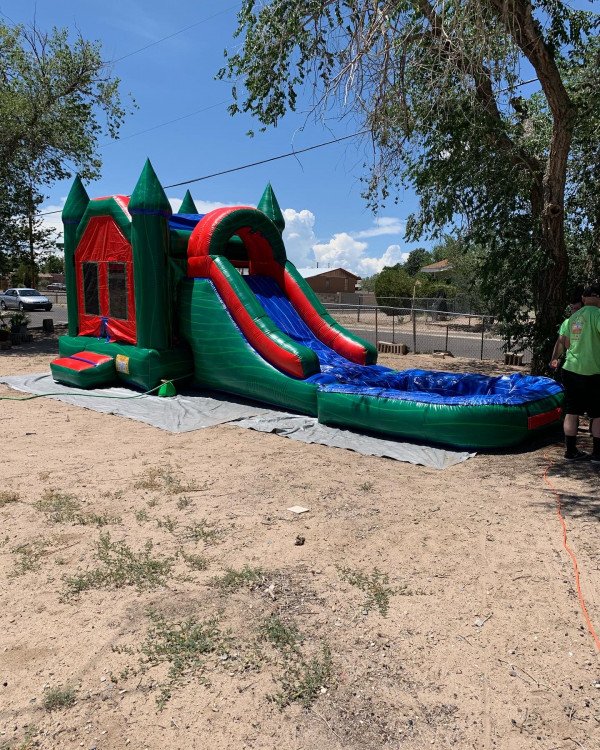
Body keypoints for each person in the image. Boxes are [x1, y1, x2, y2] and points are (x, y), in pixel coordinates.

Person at [560, 282, 600, 462]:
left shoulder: (573, 318)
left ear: (583, 299)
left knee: (571, 410)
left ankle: (570, 451)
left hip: (571, 369)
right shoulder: (598, 315)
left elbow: (566, 344)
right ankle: (597, 454)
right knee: (598, 413)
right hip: (594, 371)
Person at [550, 286, 584, 371]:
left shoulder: (571, 322)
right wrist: (554, 359)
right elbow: (561, 342)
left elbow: (564, 343)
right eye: (572, 308)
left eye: (577, 309)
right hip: (572, 368)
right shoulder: (568, 322)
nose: (574, 311)